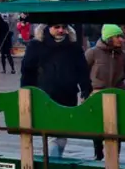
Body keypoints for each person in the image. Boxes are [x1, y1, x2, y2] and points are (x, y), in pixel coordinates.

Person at [21, 21, 90, 157]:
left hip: (68, 95)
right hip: (44, 95)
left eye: (64, 27)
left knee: (61, 134)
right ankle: (52, 164)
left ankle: (53, 162)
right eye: (57, 27)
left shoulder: (73, 47)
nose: (61, 30)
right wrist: (25, 92)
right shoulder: (36, 46)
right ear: (48, 28)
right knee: (52, 134)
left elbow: (82, 70)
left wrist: (85, 89)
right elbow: (27, 71)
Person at [85, 24, 125, 160]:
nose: (121, 40)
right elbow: (83, 71)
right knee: (97, 127)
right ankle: (98, 154)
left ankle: (114, 157)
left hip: (117, 94)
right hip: (97, 94)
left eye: (121, 36)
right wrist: (88, 91)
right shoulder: (93, 53)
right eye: (117, 36)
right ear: (109, 37)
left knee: (117, 127)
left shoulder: (122, 55)